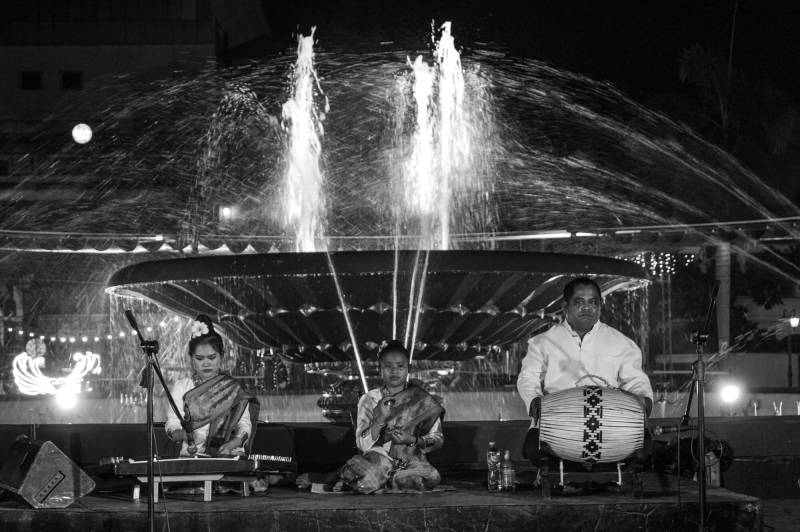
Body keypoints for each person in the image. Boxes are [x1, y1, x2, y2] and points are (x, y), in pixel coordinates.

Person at [516, 277, 654, 465]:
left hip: (610, 425)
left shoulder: (622, 343)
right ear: (566, 306)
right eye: (579, 302)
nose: (587, 308)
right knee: (532, 448)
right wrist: (534, 401)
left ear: (600, 306)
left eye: (593, 302)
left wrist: (643, 399)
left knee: (645, 447)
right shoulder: (543, 342)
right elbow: (527, 378)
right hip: (557, 425)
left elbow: (637, 381)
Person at [336, 340, 444, 493]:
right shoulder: (369, 399)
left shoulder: (423, 399)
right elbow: (362, 444)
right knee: (373, 474)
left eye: (400, 366)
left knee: (432, 476)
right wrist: (379, 419)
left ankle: (365, 480)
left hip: (410, 462)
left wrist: (411, 440)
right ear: (380, 369)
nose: (394, 371)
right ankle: (378, 479)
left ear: (409, 369)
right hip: (378, 460)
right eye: (388, 366)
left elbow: (438, 439)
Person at [165, 314, 255, 457]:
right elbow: (172, 426)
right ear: (191, 358)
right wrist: (185, 435)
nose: (206, 363)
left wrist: (231, 444)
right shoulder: (182, 387)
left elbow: (244, 426)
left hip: (227, 456)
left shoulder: (233, 388)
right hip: (191, 457)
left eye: (212, 358)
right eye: (199, 359)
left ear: (222, 356)